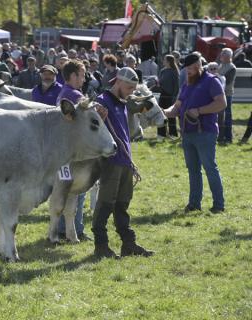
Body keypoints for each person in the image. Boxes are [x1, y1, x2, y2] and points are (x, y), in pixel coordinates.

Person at [92, 67, 154, 258]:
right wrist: (98, 118)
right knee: (105, 204)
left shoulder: (122, 103)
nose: (131, 92)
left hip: (125, 160)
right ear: (118, 82)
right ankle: (101, 246)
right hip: (111, 161)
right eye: (128, 87)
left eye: (133, 88)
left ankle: (128, 244)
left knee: (122, 204)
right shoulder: (101, 103)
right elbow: (92, 129)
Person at [164, 53, 226, 214]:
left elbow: (221, 103)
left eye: (191, 69)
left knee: (209, 167)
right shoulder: (186, 84)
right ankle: (194, 204)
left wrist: (199, 110)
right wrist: (163, 112)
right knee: (193, 170)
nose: (188, 72)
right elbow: (177, 107)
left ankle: (218, 205)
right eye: (187, 69)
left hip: (205, 132)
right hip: (187, 133)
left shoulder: (212, 81)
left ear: (199, 66)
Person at [56, 59, 92, 242]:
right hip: (75, 152)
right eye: (82, 75)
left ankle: (62, 229)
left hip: (62, 152)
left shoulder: (63, 92)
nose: (84, 79)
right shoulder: (76, 95)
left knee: (65, 189)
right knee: (78, 192)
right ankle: (77, 229)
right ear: (73, 76)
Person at [156, 54, 180, 139]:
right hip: (163, 95)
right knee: (161, 114)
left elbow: (176, 86)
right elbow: (160, 82)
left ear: (169, 61)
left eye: (164, 60)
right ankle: (161, 134)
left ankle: (173, 134)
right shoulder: (162, 71)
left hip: (170, 96)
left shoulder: (174, 71)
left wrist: (174, 98)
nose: (163, 61)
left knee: (171, 116)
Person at [217, 48, 236, 144]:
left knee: (227, 115)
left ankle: (228, 137)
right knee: (219, 116)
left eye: (223, 54)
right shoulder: (221, 65)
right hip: (220, 94)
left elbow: (227, 82)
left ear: (228, 56)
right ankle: (220, 136)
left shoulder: (232, 67)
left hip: (227, 94)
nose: (221, 56)